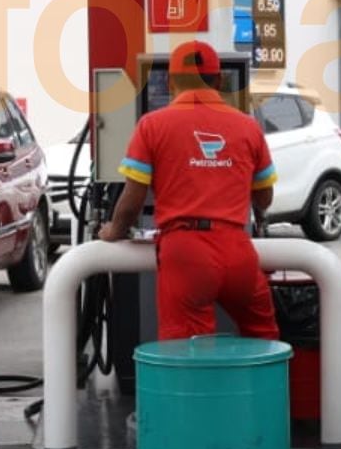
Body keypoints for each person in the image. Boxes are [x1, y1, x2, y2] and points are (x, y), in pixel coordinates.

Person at [99, 40, 281, 341]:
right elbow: (264, 198)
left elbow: (132, 199)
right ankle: (263, 389)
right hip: (237, 248)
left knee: (185, 351)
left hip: (185, 251)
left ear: (171, 82)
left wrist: (114, 230)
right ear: (220, 80)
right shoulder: (248, 127)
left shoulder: (151, 125)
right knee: (264, 339)